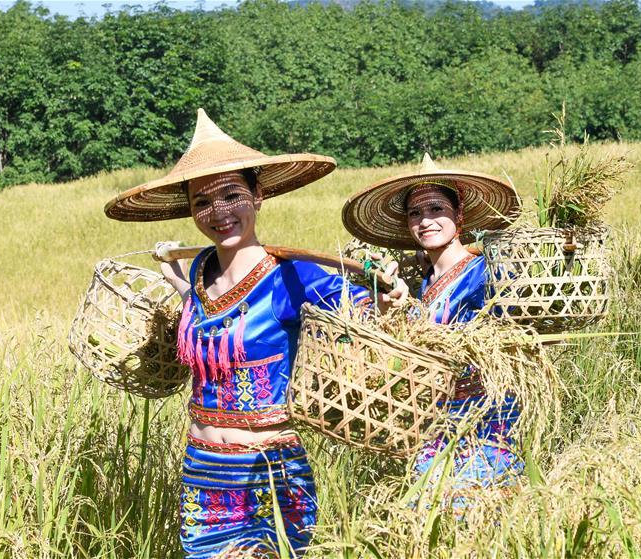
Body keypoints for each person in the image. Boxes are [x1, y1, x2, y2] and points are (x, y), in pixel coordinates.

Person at [104, 109, 407, 558]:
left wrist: (388, 296)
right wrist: (172, 274)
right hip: (202, 472)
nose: (219, 212)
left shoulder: (292, 276)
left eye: (232, 196)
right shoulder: (201, 268)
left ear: (259, 195)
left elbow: (362, 310)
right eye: (203, 202)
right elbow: (207, 311)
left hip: (267, 475)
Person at [342, 153, 523, 499]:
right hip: (435, 420)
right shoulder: (423, 284)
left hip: (483, 419)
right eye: (415, 213)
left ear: (459, 215)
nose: (425, 221)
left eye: (436, 210)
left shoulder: (483, 273)